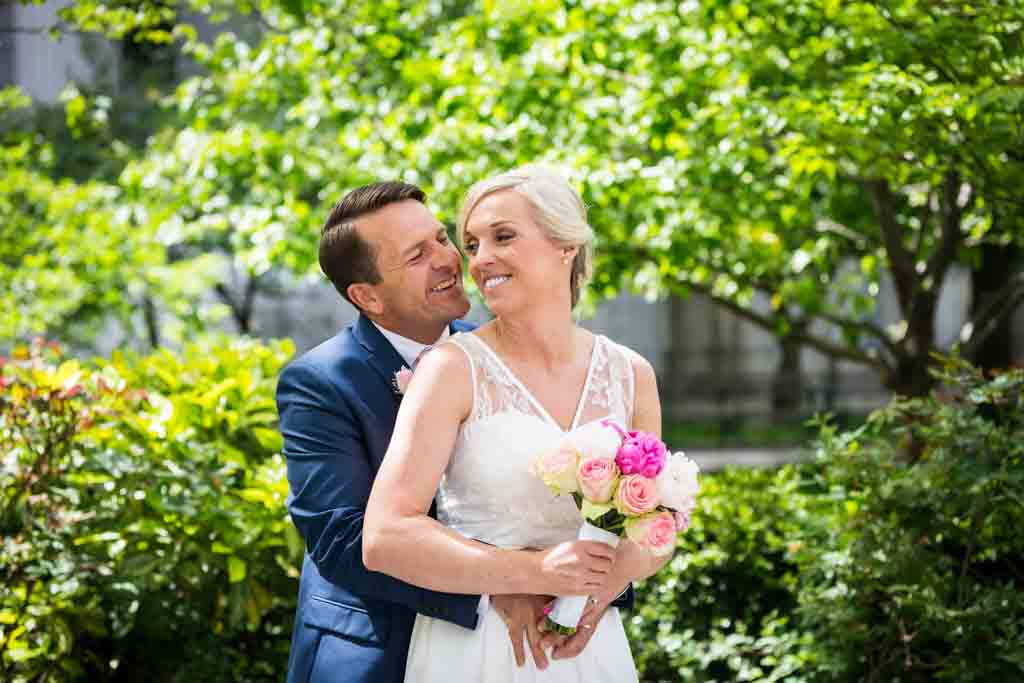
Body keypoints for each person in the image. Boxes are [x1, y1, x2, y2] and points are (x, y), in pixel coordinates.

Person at [277, 181, 629, 683]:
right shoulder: (321, 382)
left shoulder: (499, 357)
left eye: (442, 239)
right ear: (367, 295)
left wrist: (589, 585)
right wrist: (500, 582)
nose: (449, 260)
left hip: (536, 643)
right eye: (417, 255)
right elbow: (342, 540)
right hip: (378, 651)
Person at [363, 166, 674, 682]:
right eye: (472, 243)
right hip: (478, 648)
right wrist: (532, 572)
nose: (480, 259)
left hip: (588, 649)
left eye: (503, 237)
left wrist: (600, 592)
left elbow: (656, 531)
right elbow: (385, 536)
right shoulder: (451, 368)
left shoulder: (631, 374)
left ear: (564, 245)